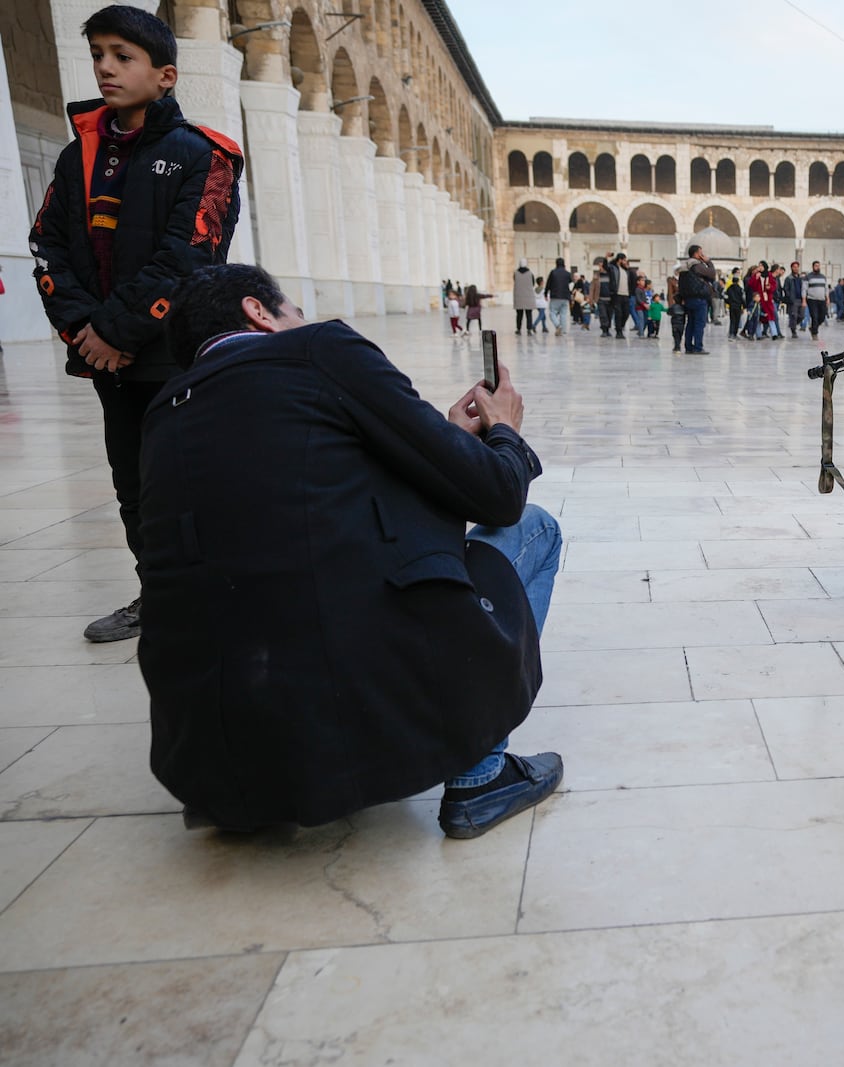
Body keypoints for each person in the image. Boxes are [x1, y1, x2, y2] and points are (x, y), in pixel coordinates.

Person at [145, 263, 564, 838]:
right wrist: (506, 435)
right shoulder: (320, 350)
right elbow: (497, 496)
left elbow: (314, 497)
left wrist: (442, 439)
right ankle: (482, 775)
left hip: (211, 769)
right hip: (345, 706)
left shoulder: (164, 413)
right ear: (257, 311)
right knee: (537, 530)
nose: (302, 319)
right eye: (293, 309)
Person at [29, 3, 243, 645]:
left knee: (191, 482)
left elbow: (190, 256)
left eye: (124, 57)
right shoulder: (77, 159)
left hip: (174, 353)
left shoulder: (205, 156)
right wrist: (84, 335)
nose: (105, 68)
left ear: (166, 75)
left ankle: (222, 598)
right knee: (135, 489)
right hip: (107, 361)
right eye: (98, 54)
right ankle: (161, 599)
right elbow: (46, 247)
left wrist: (117, 332)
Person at [678, 244, 717, 353]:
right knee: (699, 324)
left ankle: (688, 347)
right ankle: (698, 347)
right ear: (696, 254)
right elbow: (712, 274)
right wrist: (708, 262)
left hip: (688, 299)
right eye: (701, 252)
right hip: (699, 299)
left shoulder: (684, 266)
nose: (702, 254)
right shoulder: (696, 265)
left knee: (690, 323)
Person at [545, 257, 572, 335]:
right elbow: (570, 282)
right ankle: (563, 330)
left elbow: (548, 283)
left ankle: (558, 325)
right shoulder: (567, 273)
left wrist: (546, 293)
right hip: (565, 296)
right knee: (563, 314)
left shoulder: (553, 272)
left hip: (555, 296)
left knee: (552, 313)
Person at [805, 260, 831, 340]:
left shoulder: (823, 277)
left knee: (822, 317)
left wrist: (827, 298)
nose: (817, 267)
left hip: (822, 299)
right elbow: (804, 289)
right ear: (813, 267)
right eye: (816, 266)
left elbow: (826, 288)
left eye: (818, 266)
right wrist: (803, 299)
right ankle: (814, 333)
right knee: (814, 316)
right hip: (812, 299)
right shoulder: (808, 277)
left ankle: (813, 327)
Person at [512, 259, 538, 335]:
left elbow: (515, 281)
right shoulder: (530, 273)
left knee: (519, 314)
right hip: (528, 296)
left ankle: (518, 329)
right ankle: (529, 329)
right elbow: (533, 283)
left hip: (519, 296)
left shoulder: (515, 273)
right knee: (529, 314)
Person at [724, 269, 746, 340]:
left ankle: (731, 333)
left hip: (731, 306)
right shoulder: (740, 289)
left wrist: (728, 302)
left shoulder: (729, 288)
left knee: (732, 320)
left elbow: (725, 296)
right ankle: (735, 334)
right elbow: (743, 298)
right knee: (737, 320)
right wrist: (744, 306)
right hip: (738, 306)